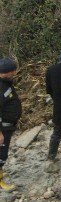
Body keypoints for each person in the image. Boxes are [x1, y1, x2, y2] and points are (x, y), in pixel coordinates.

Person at [0, 58, 20, 191]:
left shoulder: (6, 82)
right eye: (12, 71)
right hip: (3, 127)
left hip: (8, 124)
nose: (14, 73)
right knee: (1, 154)